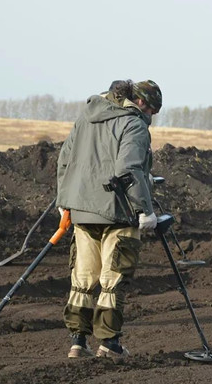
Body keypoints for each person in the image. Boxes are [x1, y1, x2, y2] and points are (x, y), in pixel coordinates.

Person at [56, 79, 163, 358]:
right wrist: (145, 211)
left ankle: (77, 342)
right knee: (112, 279)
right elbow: (128, 170)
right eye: (152, 110)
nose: (151, 117)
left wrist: (64, 201)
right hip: (118, 212)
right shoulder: (134, 124)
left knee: (83, 277)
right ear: (141, 103)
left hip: (81, 210)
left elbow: (64, 160)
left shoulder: (86, 117)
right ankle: (109, 343)